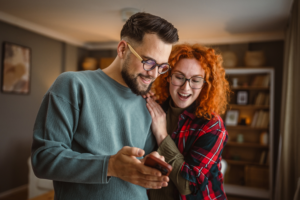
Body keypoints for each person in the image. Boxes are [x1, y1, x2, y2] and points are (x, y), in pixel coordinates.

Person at [31, 12, 178, 200]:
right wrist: (110, 166)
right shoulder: (73, 85)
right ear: (122, 49)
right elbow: (43, 159)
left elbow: (141, 164)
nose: (154, 74)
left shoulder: (148, 103)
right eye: (148, 62)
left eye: (162, 67)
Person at [145, 43, 230, 200]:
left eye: (196, 80)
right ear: (168, 77)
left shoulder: (212, 126)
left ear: (205, 84)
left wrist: (162, 134)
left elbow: (188, 185)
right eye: (179, 77)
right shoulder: (154, 109)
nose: (186, 87)